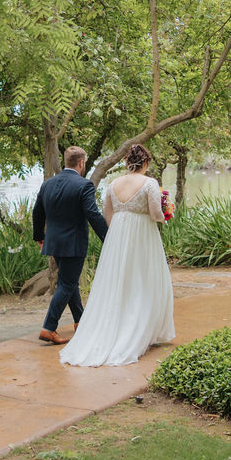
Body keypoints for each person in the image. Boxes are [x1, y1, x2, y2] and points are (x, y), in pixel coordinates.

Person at [60, 144, 174, 367]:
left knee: (118, 283)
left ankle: (115, 326)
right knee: (144, 281)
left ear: (126, 162)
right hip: (142, 235)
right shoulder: (149, 183)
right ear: (145, 163)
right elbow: (155, 213)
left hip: (118, 237)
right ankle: (141, 331)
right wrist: (166, 213)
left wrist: (119, 234)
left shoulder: (113, 184)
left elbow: (108, 215)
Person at [32, 146, 108, 345]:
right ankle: (49, 328)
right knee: (66, 284)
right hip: (73, 244)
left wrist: (39, 236)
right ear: (81, 163)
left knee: (69, 281)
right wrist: (109, 238)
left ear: (66, 161)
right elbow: (93, 214)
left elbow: (37, 212)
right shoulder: (84, 185)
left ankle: (80, 321)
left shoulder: (48, 184)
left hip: (54, 242)